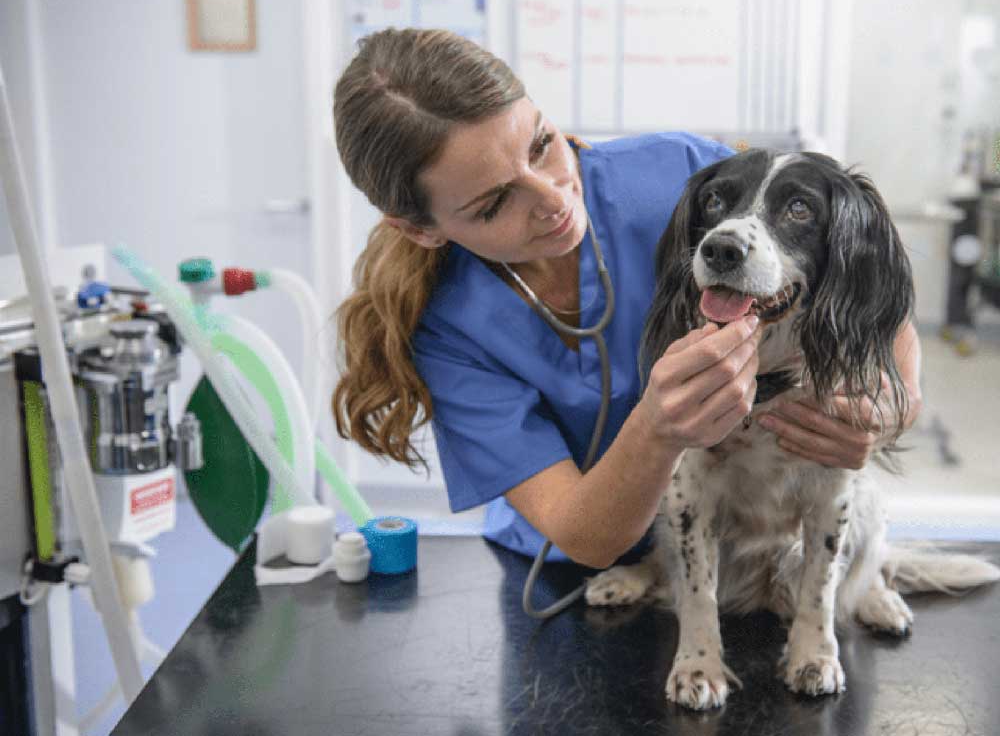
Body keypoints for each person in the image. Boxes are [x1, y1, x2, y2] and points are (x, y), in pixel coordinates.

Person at [330, 28, 923, 569]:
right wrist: (658, 429)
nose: (554, 198)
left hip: (735, 548)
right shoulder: (447, 329)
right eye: (493, 203)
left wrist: (890, 409)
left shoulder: (682, 174)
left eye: (542, 144)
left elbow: (860, 275)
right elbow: (584, 536)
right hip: (570, 572)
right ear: (421, 229)